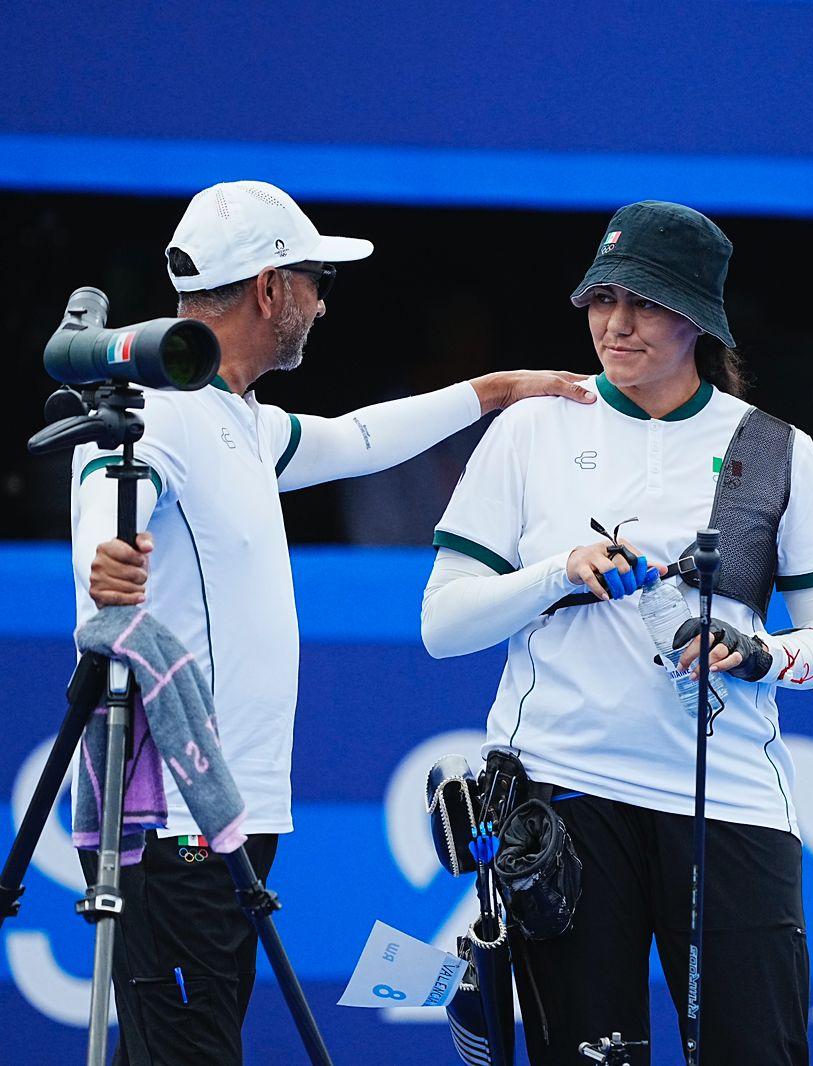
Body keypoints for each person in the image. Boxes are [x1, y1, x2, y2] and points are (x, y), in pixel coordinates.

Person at [72, 180, 593, 1066]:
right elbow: (107, 480)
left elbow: (356, 440)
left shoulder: (235, 418)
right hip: (174, 822)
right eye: (315, 281)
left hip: (222, 811)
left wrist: (500, 389)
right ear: (271, 290)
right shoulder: (162, 408)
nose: (321, 303)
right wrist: (103, 557)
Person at [420, 200, 813, 1065]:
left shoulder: (772, 449)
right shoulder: (533, 427)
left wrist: (762, 656)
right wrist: (558, 574)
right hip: (563, 792)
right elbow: (442, 623)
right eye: (601, 299)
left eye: (646, 303)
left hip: (727, 799)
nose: (615, 325)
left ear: (700, 318)